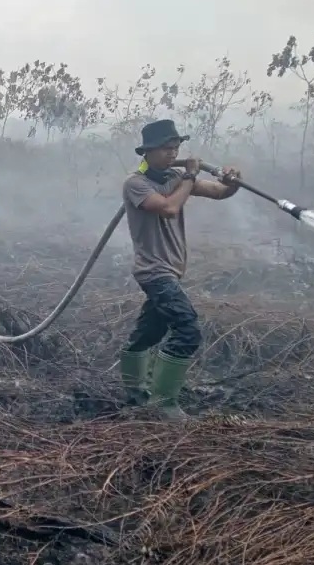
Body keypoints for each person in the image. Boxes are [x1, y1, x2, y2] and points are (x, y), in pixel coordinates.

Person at [118, 119, 241, 420]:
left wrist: (232, 181)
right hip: (154, 271)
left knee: (149, 332)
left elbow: (219, 192)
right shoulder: (136, 183)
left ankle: (136, 393)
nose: (172, 153)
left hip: (170, 270)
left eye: (176, 148)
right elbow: (169, 208)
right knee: (187, 329)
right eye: (166, 148)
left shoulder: (175, 176)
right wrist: (188, 175)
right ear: (147, 151)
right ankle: (164, 404)